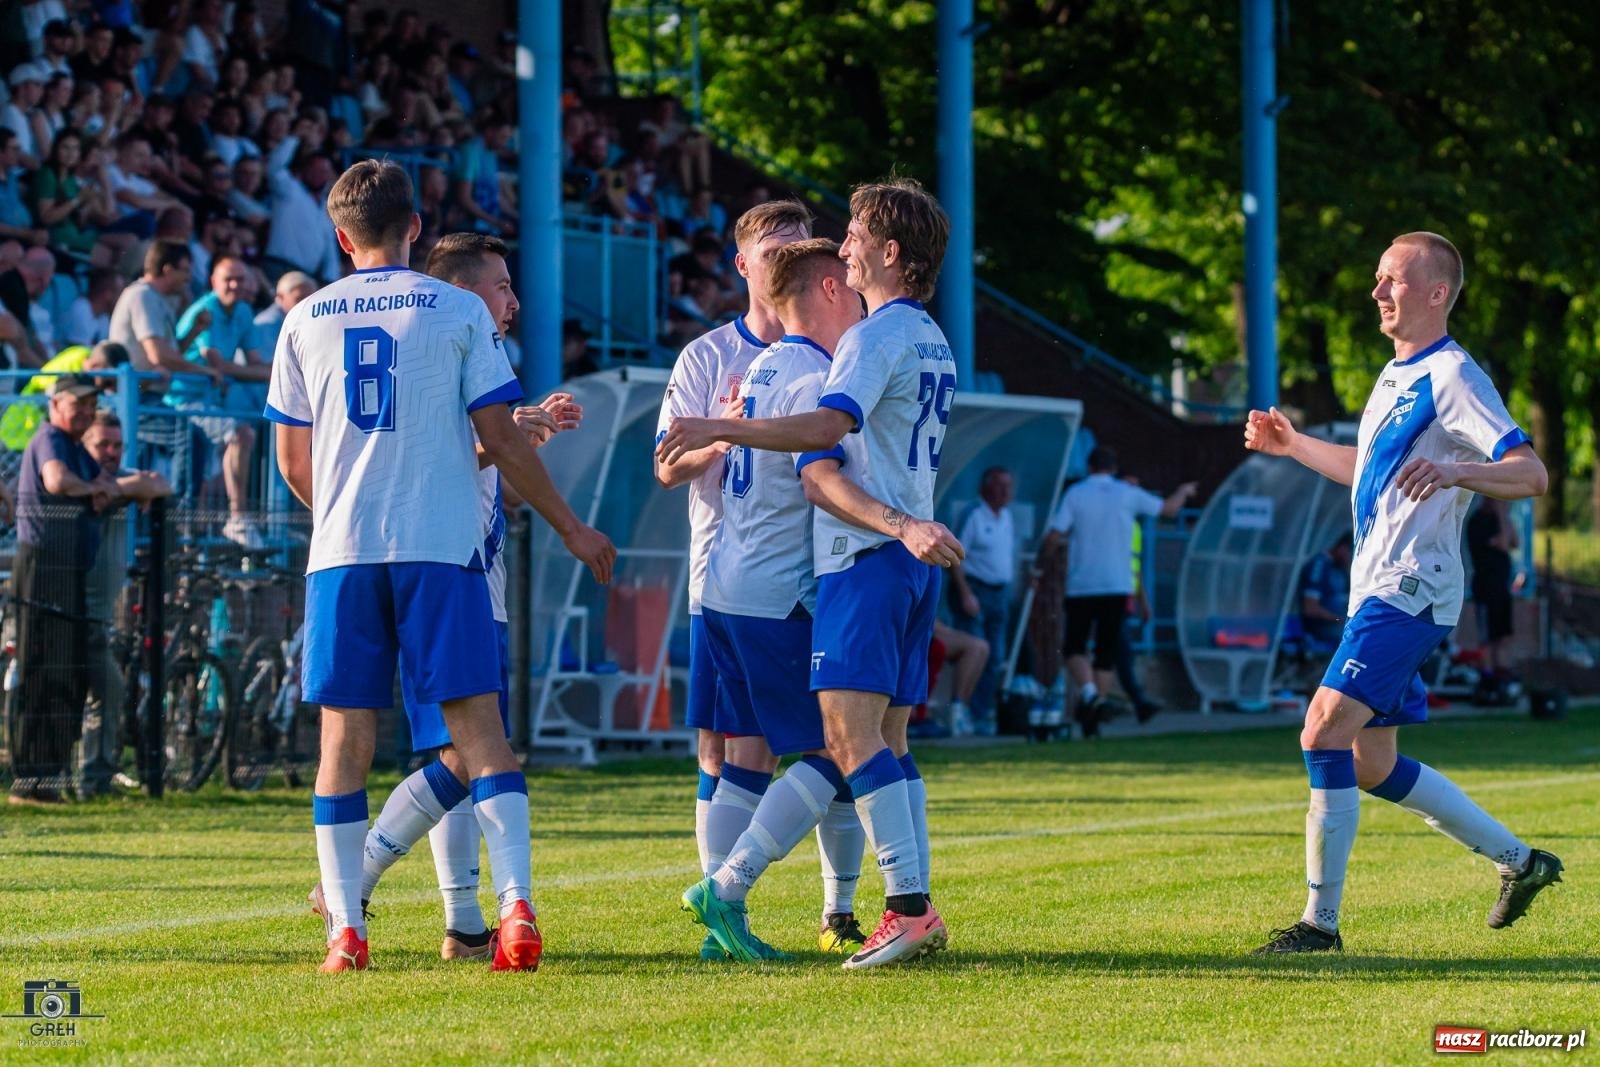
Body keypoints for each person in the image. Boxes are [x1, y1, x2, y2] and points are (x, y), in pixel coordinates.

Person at [264, 159, 614, 972]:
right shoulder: (459, 310)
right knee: (482, 736)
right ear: (416, 227)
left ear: (341, 236)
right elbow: (499, 439)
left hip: (345, 553)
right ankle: (515, 909)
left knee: (343, 741)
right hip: (442, 547)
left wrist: (353, 506)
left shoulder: (305, 318)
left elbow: (291, 459)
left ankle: (346, 931)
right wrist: (569, 526)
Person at [658, 177, 963, 969]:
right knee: (880, 741)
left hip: (861, 559)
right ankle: (892, 905)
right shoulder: (930, 335)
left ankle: (876, 905)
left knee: (838, 742)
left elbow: (824, 449)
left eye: (857, 233)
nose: (847, 242)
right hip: (895, 561)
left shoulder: (864, 341)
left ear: (888, 253)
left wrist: (722, 425)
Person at [1243, 230, 1562, 954]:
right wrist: (1292, 445)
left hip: (1410, 589)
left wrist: (1458, 473)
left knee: (1322, 728)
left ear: (1437, 293)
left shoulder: (1453, 375)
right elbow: (1369, 468)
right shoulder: (1396, 375)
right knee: (1371, 763)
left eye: (1392, 280)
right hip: (1379, 590)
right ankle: (1522, 862)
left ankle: (1318, 926)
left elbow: (1532, 472)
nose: (1378, 292)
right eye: (1379, 280)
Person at [310, 231, 580, 962]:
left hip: (447, 560)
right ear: (464, 287)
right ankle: (369, 881)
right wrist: (515, 445)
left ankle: (455, 923)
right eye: (501, 285)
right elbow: (437, 450)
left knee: (458, 750)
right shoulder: (445, 330)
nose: (513, 300)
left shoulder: (431, 332)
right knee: (471, 749)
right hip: (442, 562)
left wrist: (521, 435)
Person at [678, 238, 869, 962]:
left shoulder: (759, 365)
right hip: (772, 594)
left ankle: (722, 932)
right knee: (840, 751)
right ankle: (726, 888)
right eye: (849, 289)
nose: (857, 301)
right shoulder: (816, 377)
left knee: (747, 758)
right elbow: (819, 464)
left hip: (725, 585)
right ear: (825, 289)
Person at [651, 199, 812, 960]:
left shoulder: (828, 348)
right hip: (725, 573)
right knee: (725, 745)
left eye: (796, 249)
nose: (784, 262)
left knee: (800, 740)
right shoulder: (708, 355)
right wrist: (725, 430)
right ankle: (721, 908)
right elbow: (665, 465)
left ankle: (836, 905)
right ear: (742, 265)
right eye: (770, 251)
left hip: (809, 573)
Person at [8, 375, 121, 805]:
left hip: (66, 569)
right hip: (43, 567)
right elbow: (57, 481)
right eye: (79, 404)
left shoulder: (75, 446)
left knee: (64, 672)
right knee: (41, 671)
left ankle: (49, 777)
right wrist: (94, 488)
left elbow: (113, 485)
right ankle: (30, 780)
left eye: (92, 404)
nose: (87, 411)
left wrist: (103, 488)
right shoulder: (51, 439)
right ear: (56, 404)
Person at [1039, 447, 1195, 737]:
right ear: (1113, 468)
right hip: (1118, 584)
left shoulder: (1076, 494)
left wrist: (1041, 568)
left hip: (1083, 583)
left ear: (1089, 466)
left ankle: (1091, 697)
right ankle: (1095, 712)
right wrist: (1184, 491)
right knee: (1105, 654)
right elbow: (1169, 509)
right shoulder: (1127, 493)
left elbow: (1054, 535)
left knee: (1073, 647)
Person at [76, 409, 172, 797]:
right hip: (70, 608)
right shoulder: (77, 481)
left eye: (117, 445)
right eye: (103, 444)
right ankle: (89, 781)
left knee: (108, 690)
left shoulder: (114, 481)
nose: (111, 452)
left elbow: (160, 483)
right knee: (103, 690)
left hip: (98, 615)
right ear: (85, 444)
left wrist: (118, 490)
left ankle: (91, 780)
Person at [170, 255, 272, 546]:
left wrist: (261, 370)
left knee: (218, 453)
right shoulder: (205, 309)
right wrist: (262, 371)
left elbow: (255, 363)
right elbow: (219, 365)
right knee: (240, 434)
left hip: (212, 400)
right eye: (228, 278)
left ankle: (204, 531)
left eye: (240, 279)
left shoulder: (243, 311)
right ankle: (237, 518)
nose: (234, 285)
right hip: (182, 398)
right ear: (213, 281)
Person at [946, 466, 1016, 736]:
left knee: (996, 656)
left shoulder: (1006, 516)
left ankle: (980, 712)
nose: (1005, 492)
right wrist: (965, 593)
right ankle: (961, 708)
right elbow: (955, 558)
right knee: (976, 652)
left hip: (1000, 592)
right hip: (975, 590)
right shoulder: (973, 514)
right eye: (999, 485)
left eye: (1008, 486)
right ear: (986, 488)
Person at [107, 239, 204, 390]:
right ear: (168, 270)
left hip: (146, 394)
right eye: (185, 270)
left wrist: (195, 331)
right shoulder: (142, 295)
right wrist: (204, 372)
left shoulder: (159, 299)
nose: (189, 278)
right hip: (134, 397)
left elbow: (170, 354)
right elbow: (158, 356)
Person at [0, 339, 129, 451]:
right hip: (21, 433)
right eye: (108, 383)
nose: (111, 390)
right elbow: (48, 395)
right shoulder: (72, 367)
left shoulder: (84, 358)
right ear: (94, 366)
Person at [1466, 496, 1519, 698]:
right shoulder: (1479, 521)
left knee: (1502, 635)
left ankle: (1501, 674)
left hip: (1501, 590)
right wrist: (1501, 513)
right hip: (1485, 589)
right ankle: (1487, 677)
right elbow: (1504, 543)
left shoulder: (1501, 520)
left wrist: (1505, 516)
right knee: (1487, 638)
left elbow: (1515, 542)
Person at [1299, 532, 1353, 650]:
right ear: (1342, 548)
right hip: (1323, 629)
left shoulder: (1340, 570)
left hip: (1339, 625)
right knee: (1357, 638)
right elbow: (1310, 608)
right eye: (1350, 554)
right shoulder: (1319, 566)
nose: (1351, 560)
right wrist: (1339, 619)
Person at [253, 270, 316, 360]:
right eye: (300, 299)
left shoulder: (310, 321)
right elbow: (269, 369)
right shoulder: (266, 324)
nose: (306, 305)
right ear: (280, 298)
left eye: (311, 299)